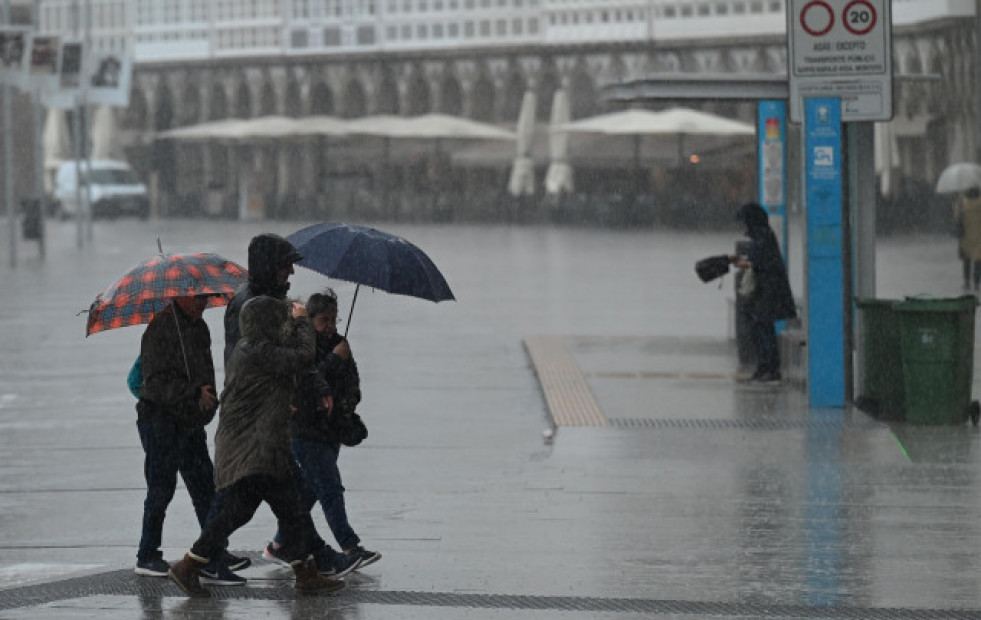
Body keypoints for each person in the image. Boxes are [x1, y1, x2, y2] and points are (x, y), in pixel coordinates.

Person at [168, 296, 345, 597]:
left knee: (280, 508)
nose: (283, 324)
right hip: (253, 448)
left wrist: (279, 406)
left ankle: (305, 573)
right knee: (255, 509)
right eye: (279, 320)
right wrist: (302, 319)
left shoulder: (254, 347)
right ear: (266, 323)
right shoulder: (256, 350)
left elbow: (273, 379)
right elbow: (303, 357)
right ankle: (189, 565)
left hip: (262, 444)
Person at [135, 294, 249, 585]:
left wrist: (207, 399)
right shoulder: (160, 328)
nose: (203, 303)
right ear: (180, 295)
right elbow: (155, 382)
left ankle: (212, 553)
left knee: (205, 487)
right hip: (161, 420)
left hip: (189, 420)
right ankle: (147, 555)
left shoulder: (199, 327)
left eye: (206, 297)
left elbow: (203, 370)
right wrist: (192, 392)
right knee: (161, 487)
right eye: (198, 298)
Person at [264, 289, 381, 570]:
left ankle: (278, 545)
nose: (329, 326)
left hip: (332, 430)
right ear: (311, 320)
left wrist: (346, 402)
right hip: (305, 431)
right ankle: (350, 545)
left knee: (309, 492)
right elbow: (306, 378)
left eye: (333, 319)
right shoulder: (304, 345)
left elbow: (353, 384)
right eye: (323, 320)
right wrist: (334, 361)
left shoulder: (341, 344)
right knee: (329, 488)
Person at [728, 202, 797, 385]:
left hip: (770, 290)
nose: (744, 228)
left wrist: (736, 262)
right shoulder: (763, 234)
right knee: (760, 326)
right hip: (767, 289)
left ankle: (770, 368)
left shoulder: (763, 236)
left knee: (762, 326)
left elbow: (756, 261)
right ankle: (765, 367)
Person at [224, 233, 304, 364]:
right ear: (271, 266)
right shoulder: (250, 304)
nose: (292, 271)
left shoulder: (268, 296)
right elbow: (266, 357)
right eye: (287, 265)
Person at [954, 187, 981, 291]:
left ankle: (966, 281)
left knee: (967, 259)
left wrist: (959, 203)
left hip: (966, 235)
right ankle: (977, 282)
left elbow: (956, 217)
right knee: (978, 260)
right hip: (979, 236)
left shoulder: (962, 204)